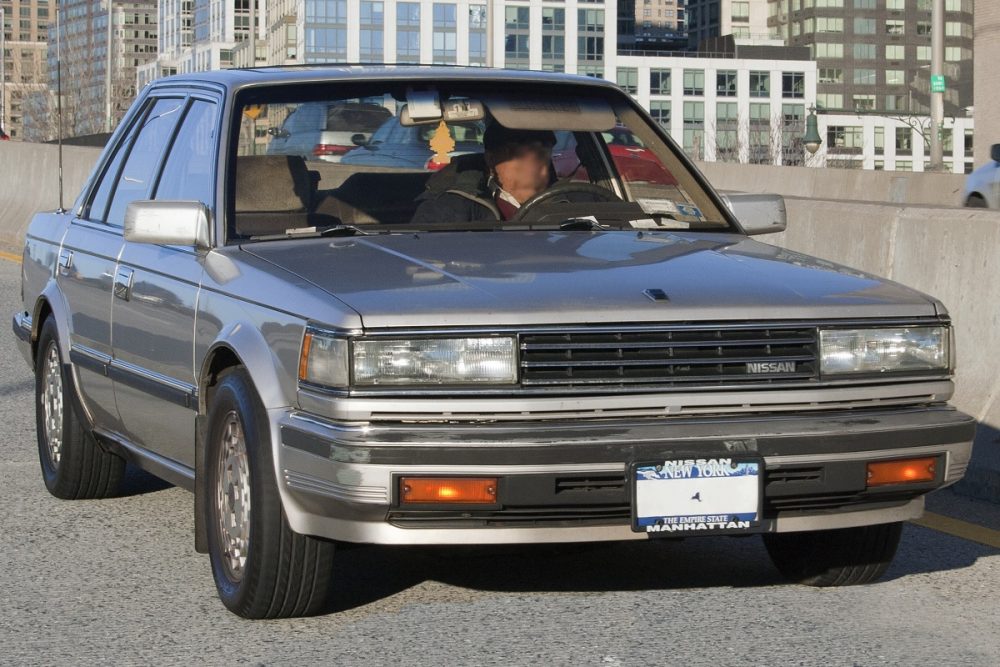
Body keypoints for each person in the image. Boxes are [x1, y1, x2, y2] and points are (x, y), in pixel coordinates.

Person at [410, 123, 559, 224]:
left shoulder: (573, 200)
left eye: (542, 155)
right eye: (517, 156)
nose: (531, 166)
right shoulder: (452, 206)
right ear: (491, 159)